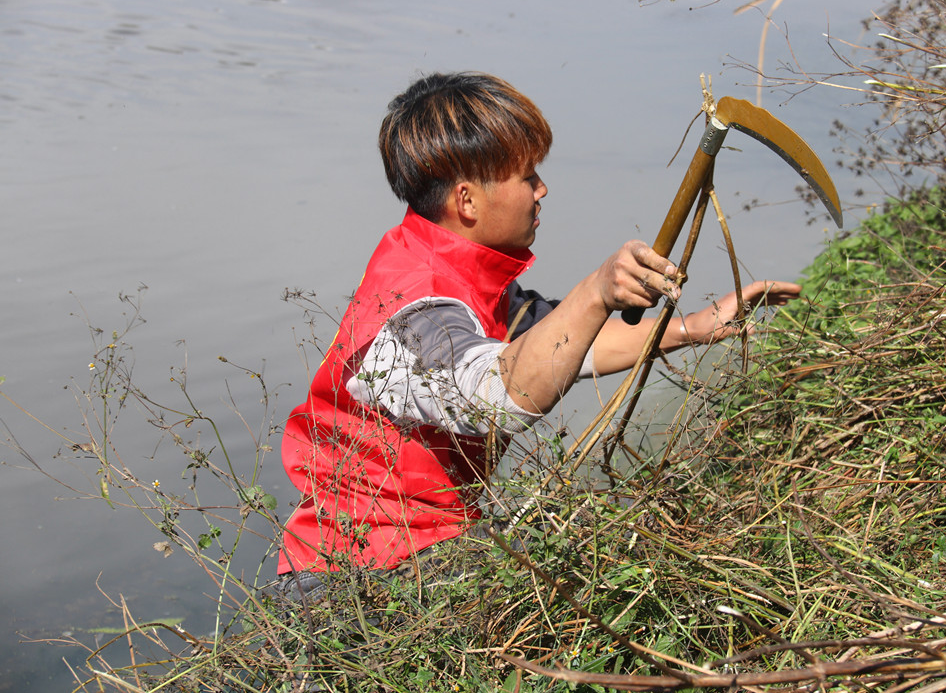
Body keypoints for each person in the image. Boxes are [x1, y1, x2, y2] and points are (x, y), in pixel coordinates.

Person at [275, 72, 801, 590]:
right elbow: (496, 394)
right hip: (352, 576)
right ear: (467, 201)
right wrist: (596, 290)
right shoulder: (412, 306)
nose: (542, 189)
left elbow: (571, 345)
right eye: (527, 176)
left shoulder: (475, 278)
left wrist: (695, 327)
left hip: (433, 548)